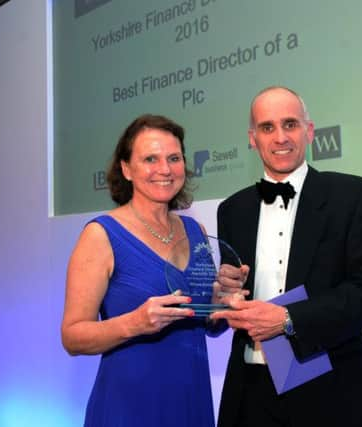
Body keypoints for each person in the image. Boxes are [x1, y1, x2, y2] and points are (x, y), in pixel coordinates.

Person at [210, 87, 362, 427]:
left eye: (290, 124)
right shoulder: (232, 210)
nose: (280, 137)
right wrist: (224, 296)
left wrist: (287, 318)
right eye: (267, 127)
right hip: (251, 394)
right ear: (252, 139)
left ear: (309, 131)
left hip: (333, 391)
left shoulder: (354, 195)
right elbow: (232, 301)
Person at [61, 114, 241, 427]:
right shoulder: (101, 235)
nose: (164, 169)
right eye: (150, 159)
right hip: (130, 407)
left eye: (174, 158)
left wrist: (223, 306)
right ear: (126, 168)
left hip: (191, 401)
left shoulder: (195, 230)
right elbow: (73, 337)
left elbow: (206, 324)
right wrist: (136, 323)